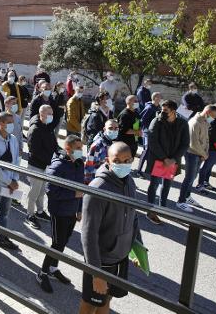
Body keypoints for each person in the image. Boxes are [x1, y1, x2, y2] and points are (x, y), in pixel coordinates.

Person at [80, 142, 142, 314]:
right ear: (107, 160)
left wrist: (137, 247)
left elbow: (133, 216)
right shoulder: (98, 189)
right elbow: (88, 234)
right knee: (90, 303)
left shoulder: (129, 182)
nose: (123, 164)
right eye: (118, 161)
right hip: (102, 261)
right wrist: (96, 274)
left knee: (107, 299)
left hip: (119, 257)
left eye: (127, 160)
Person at [36, 135, 85, 293]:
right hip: (59, 211)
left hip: (72, 210)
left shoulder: (79, 163)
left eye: (81, 148)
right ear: (68, 148)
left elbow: (81, 189)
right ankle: (42, 273)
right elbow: (51, 192)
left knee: (64, 241)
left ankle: (53, 268)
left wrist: (79, 209)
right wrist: (74, 196)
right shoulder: (57, 166)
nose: (81, 151)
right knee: (57, 243)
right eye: (78, 148)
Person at [144, 100, 190, 223]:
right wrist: (165, 159)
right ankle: (150, 210)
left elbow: (185, 143)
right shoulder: (157, 121)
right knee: (154, 184)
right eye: (162, 110)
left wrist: (173, 159)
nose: (162, 112)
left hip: (172, 161)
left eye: (166, 111)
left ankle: (163, 209)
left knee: (167, 185)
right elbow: (152, 142)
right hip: (158, 160)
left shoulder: (182, 123)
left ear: (173, 111)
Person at [0, 112, 21, 251]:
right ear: (0, 124)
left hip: (10, 184)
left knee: (5, 213)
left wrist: (15, 179)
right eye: (9, 123)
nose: (12, 125)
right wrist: (9, 181)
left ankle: (2, 238)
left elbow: (15, 161)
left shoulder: (12, 139)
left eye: (12, 122)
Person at [177, 105, 216, 213]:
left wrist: (205, 152)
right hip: (192, 154)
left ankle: (187, 196)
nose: (213, 119)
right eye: (213, 116)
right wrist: (204, 154)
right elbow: (193, 143)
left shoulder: (205, 121)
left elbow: (206, 139)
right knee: (189, 178)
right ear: (207, 113)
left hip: (200, 154)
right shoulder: (195, 122)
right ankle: (181, 201)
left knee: (193, 177)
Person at [26, 105, 59, 228]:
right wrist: (49, 159)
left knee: (41, 192)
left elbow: (53, 143)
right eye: (49, 113)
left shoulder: (47, 127)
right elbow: (34, 150)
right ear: (42, 114)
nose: (51, 116)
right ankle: (29, 214)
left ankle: (40, 212)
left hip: (45, 165)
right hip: (36, 166)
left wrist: (59, 153)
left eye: (52, 113)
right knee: (34, 192)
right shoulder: (35, 129)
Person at [196, 103, 216, 193]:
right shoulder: (210, 121)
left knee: (209, 167)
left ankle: (206, 182)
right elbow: (213, 136)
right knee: (206, 167)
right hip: (212, 147)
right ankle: (200, 184)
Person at [84, 120, 119, 185]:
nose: (114, 130)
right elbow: (89, 165)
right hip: (94, 180)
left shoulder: (109, 142)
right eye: (110, 128)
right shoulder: (98, 145)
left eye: (116, 128)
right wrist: (89, 183)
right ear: (104, 129)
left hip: (102, 178)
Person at [137, 92, 162, 173]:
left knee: (151, 152)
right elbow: (142, 120)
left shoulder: (158, 107)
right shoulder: (149, 108)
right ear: (155, 98)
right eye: (159, 97)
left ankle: (148, 170)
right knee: (146, 151)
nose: (161, 98)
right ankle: (139, 170)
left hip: (155, 133)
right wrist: (142, 130)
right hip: (147, 133)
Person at [117, 95, 142, 159]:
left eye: (137, 101)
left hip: (134, 142)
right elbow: (124, 130)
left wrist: (140, 130)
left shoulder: (136, 113)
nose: (137, 102)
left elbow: (138, 124)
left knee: (131, 159)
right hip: (126, 143)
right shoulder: (124, 114)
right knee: (124, 160)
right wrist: (137, 132)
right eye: (135, 101)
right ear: (128, 102)